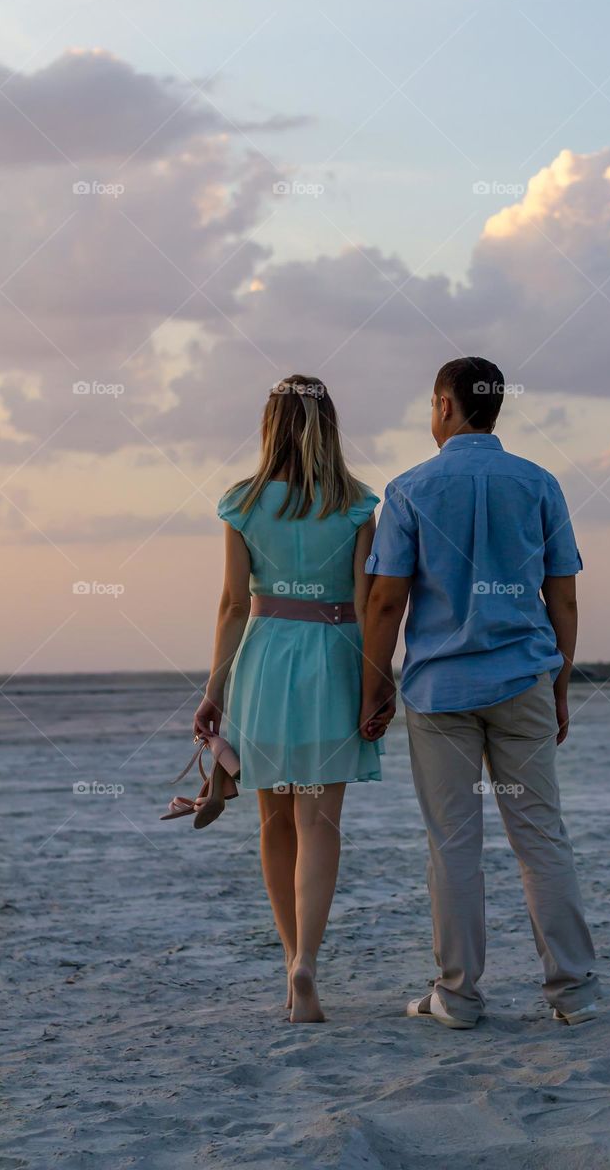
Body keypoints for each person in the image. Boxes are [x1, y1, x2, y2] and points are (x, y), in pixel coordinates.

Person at [360, 357, 599, 1029]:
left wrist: (374, 685)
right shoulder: (538, 483)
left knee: (453, 845)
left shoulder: (409, 489)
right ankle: (574, 993)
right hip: (524, 678)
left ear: (444, 405)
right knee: (540, 837)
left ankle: (459, 996)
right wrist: (560, 683)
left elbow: (385, 602)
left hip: (440, 691)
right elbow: (563, 597)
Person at [192, 374, 380, 1023]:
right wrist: (376, 682)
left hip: (264, 660)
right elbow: (367, 604)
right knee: (319, 822)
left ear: (269, 425)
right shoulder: (356, 503)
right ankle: (309, 964)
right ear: (329, 424)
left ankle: (290, 958)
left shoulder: (242, 503)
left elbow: (232, 604)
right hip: (334, 659)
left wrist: (214, 690)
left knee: (274, 821)